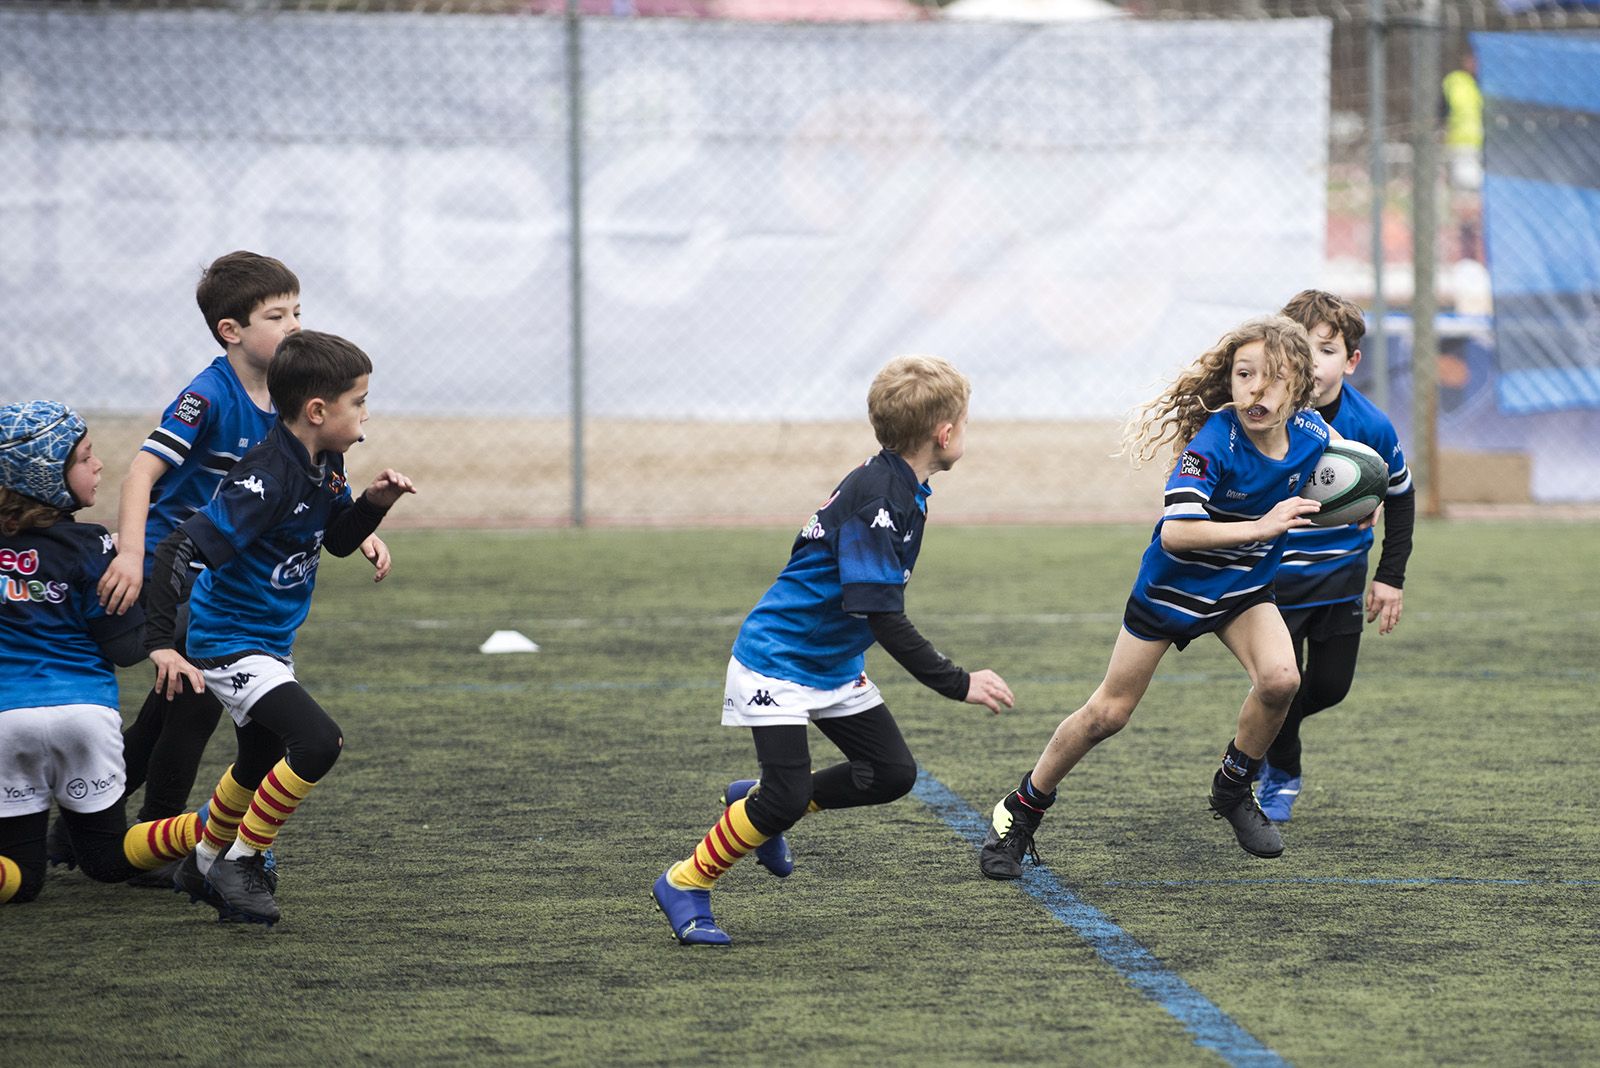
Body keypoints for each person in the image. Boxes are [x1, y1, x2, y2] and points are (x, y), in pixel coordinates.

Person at [650, 354, 1015, 945]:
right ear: (944, 434)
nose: (965, 433)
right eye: (965, 423)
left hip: (831, 663)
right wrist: (957, 681)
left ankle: (758, 805)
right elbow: (880, 614)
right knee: (786, 797)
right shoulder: (880, 499)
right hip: (778, 659)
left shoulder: (904, 485)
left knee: (891, 773)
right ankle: (686, 881)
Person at [71, 252, 390, 886]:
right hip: (179, 563)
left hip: (223, 565)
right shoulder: (208, 395)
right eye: (277, 315)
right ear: (231, 331)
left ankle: (88, 828)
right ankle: (155, 842)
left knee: (168, 715)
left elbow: (311, 502)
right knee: (188, 703)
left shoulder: (299, 402)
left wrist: (360, 527)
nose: (294, 325)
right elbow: (142, 471)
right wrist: (131, 554)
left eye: (298, 311)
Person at [979, 316, 1334, 880]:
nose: (1255, 390)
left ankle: (1234, 788)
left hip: (1242, 589)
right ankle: (1019, 810)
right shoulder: (1215, 442)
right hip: (1173, 588)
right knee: (1108, 714)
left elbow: (1345, 472)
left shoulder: (1314, 434)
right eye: (1244, 375)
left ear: (1298, 389)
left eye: (1273, 378)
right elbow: (1178, 531)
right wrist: (1262, 527)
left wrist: (1365, 499)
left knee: (1281, 680)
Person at [143, 331, 416, 925]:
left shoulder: (325, 459)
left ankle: (204, 859)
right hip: (226, 641)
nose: (367, 414)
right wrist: (163, 644)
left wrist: (371, 505)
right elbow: (178, 548)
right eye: (359, 401)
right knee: (319, 742)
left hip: (267, 641)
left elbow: (335, 539)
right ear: (318, 412)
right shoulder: (263, 478)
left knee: (261, 756)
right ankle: (241, 859)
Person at [1, 401, 206, 905]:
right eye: (84, 457)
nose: (97, 466)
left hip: (6, 721)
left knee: (22, 881)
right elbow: (126, 646)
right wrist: (188, 602)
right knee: (108, 860)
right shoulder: (91, 546)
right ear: (47, 475)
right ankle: (214, 825)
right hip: (83, 716)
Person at [1259, 290, 1414, 822]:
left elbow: (1401, 494)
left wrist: (1390, 576)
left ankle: (1255, 739)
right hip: (1271, 587)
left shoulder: (1370, 426)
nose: (1313, 364)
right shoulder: (1260, 420)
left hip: (1341, 581)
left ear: (1351, 360)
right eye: (1301, 350)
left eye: (1326, 351)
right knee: (1280, 685)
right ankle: (1281, 773)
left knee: (1329, 688)